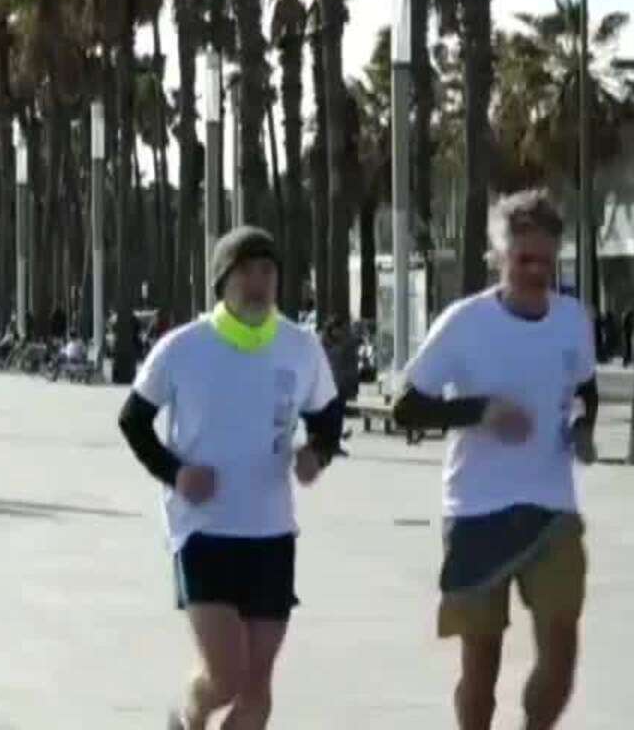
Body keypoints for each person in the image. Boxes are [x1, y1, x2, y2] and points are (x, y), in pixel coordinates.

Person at [117, 226, 344, 730]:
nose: (259, 282)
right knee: (227, 678)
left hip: (271, 532)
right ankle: (187, 713)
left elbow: (328, 417)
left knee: (258, 692)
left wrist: (317, 455)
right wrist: (176, 474)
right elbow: (132, 420)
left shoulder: (300, 347)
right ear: (223, 281)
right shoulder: (184, 346)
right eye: (245, 271)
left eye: (268, 271)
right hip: (203, 529)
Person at [392, 190, 598, 730]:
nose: (535, 273)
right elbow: (406, 407)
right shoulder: (464, 323)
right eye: (522, 260)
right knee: (480, 672)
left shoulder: (573, 319)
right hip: (476, 511)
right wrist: (481, 410)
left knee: (561, 655)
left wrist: (582, 427)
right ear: (498, 257)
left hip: (552, 509)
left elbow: (583, 388)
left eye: (546, 262)